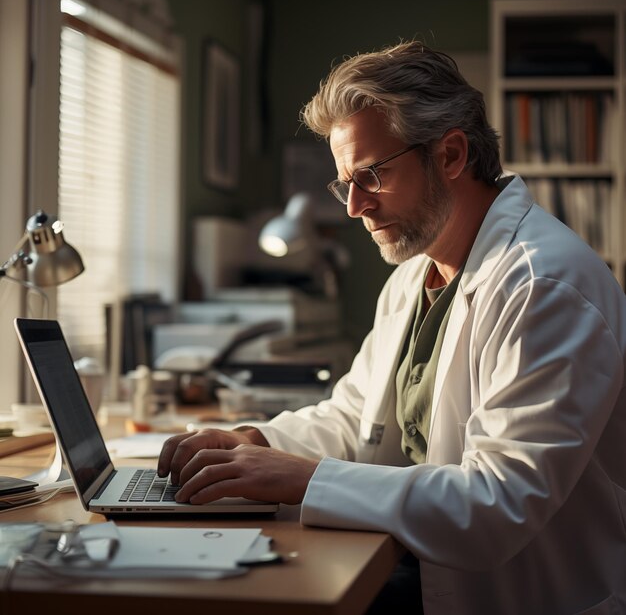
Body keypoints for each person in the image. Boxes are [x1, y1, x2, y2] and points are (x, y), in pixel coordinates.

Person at [158, 41, 626, 615]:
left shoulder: (544, 286)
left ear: (451, 154)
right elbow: (358, 417)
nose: (354, 207)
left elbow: (497, 506)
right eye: (344, 183)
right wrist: (259, 444)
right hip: (427, 571)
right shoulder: (414, 274)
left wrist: (304, 480)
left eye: (372, 176)